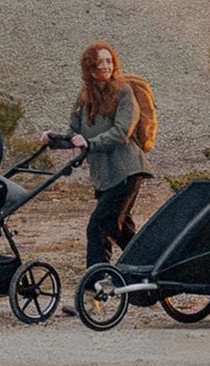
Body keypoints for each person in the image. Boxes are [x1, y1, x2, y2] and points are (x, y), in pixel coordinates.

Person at [58, 41, 152, 266]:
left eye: (109, 61)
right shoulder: (85, 96)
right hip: (104, 176)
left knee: (98, 225)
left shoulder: (123, 91)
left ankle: (95, 282)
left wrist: (90, 143)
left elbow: (122, 131)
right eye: (100, 62)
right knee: (118, 228)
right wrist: (53, 140)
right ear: (90, 68)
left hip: (127, 171)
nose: (106, 66)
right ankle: (148, 266)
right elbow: (73, 130)